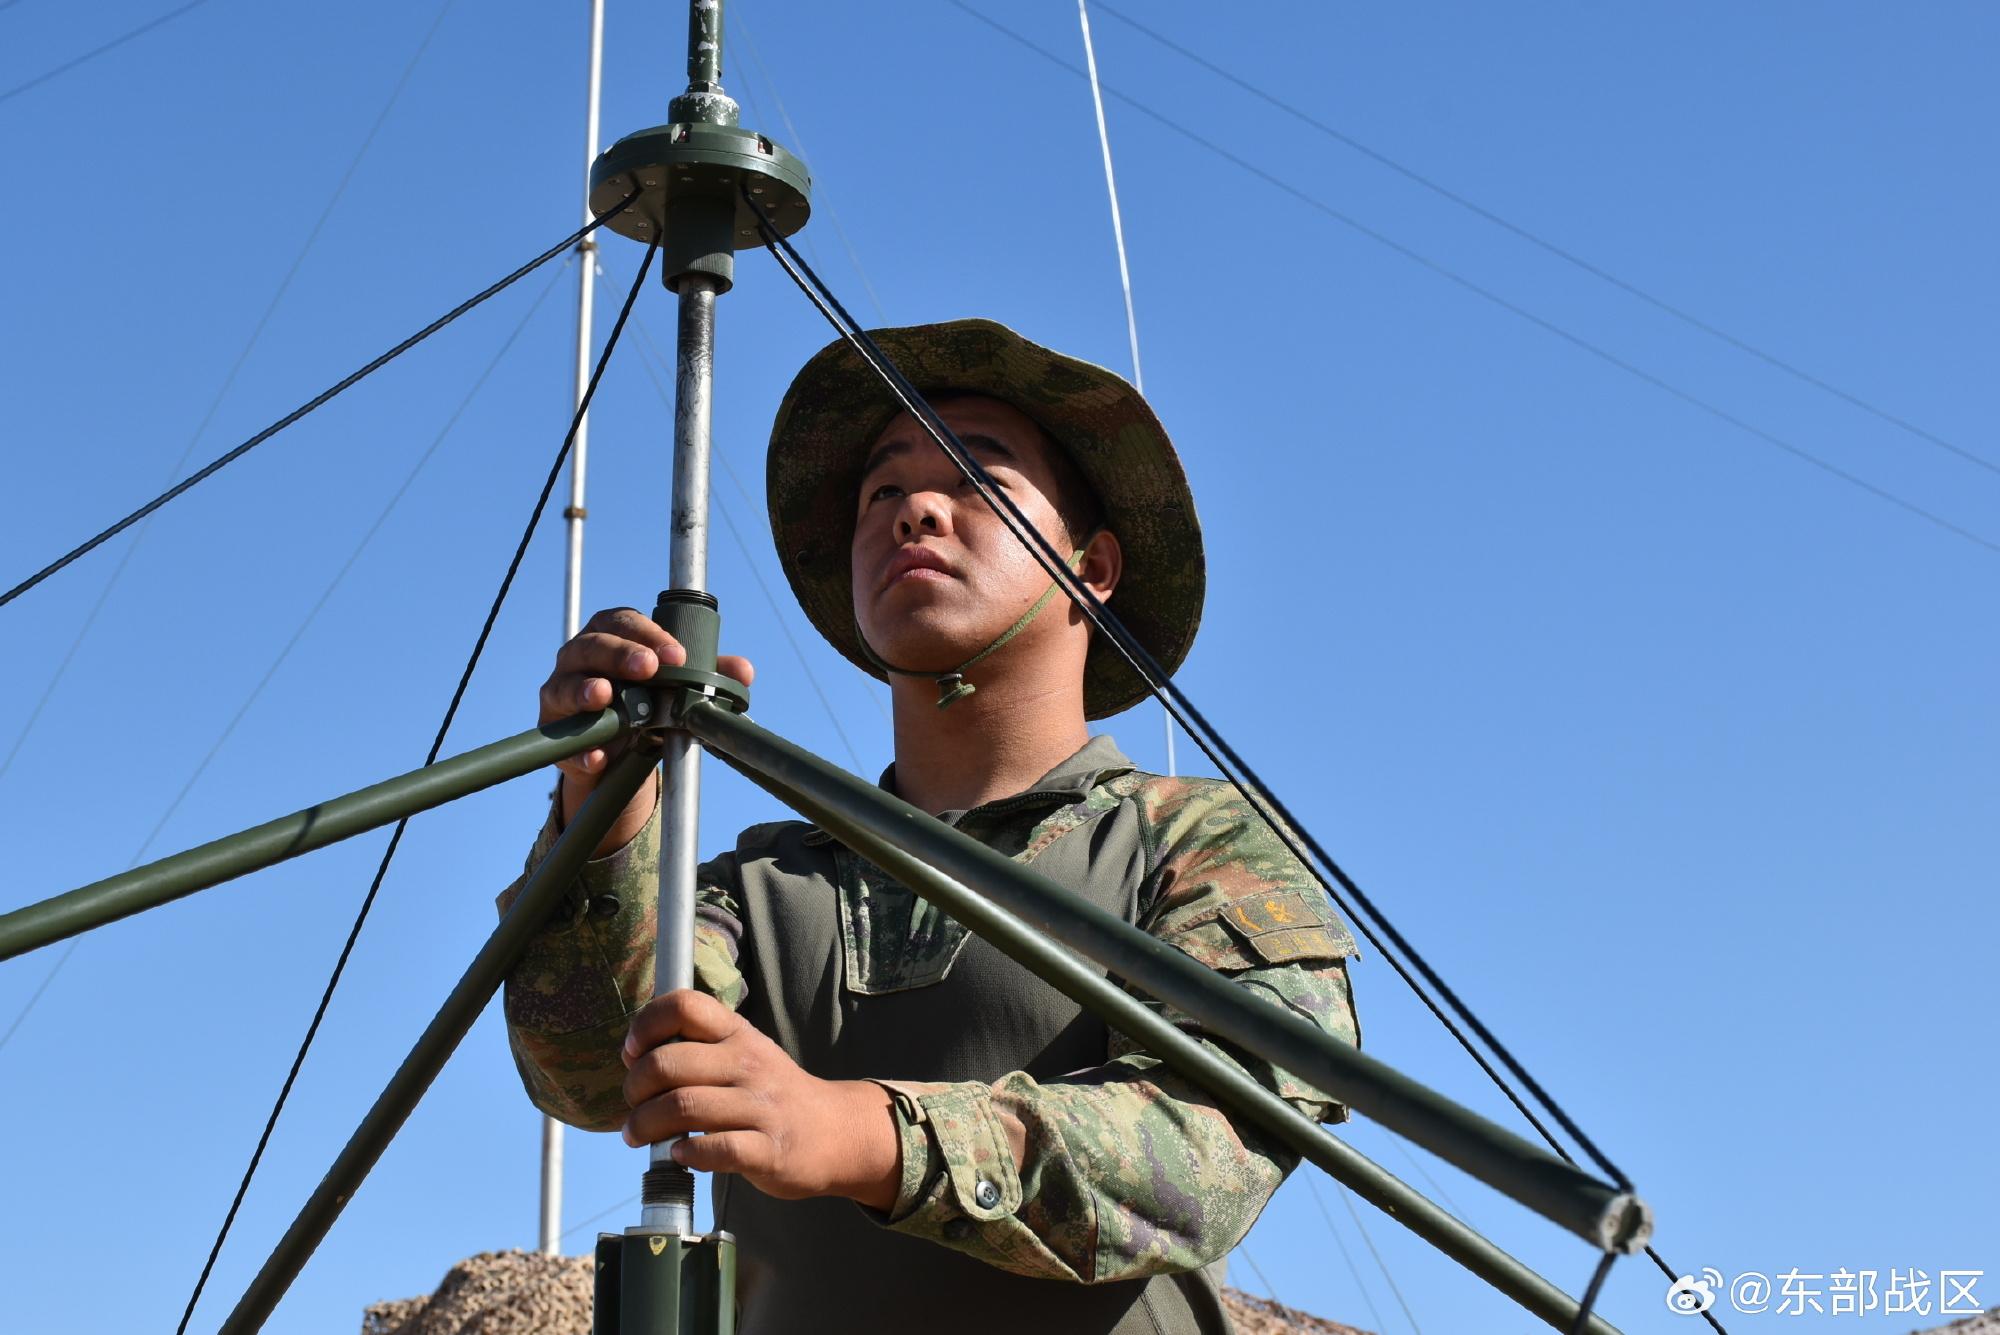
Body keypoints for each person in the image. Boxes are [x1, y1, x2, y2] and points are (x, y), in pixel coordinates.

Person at [498, 319, 1361, 1334]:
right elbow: (595, 1073)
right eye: (882, 492)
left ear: (1092, 565)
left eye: (977, 478)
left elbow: (1207, 1151)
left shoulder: (1190, 840)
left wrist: (863, 1135)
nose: (915, 509)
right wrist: (605, 813)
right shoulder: (763, 882)